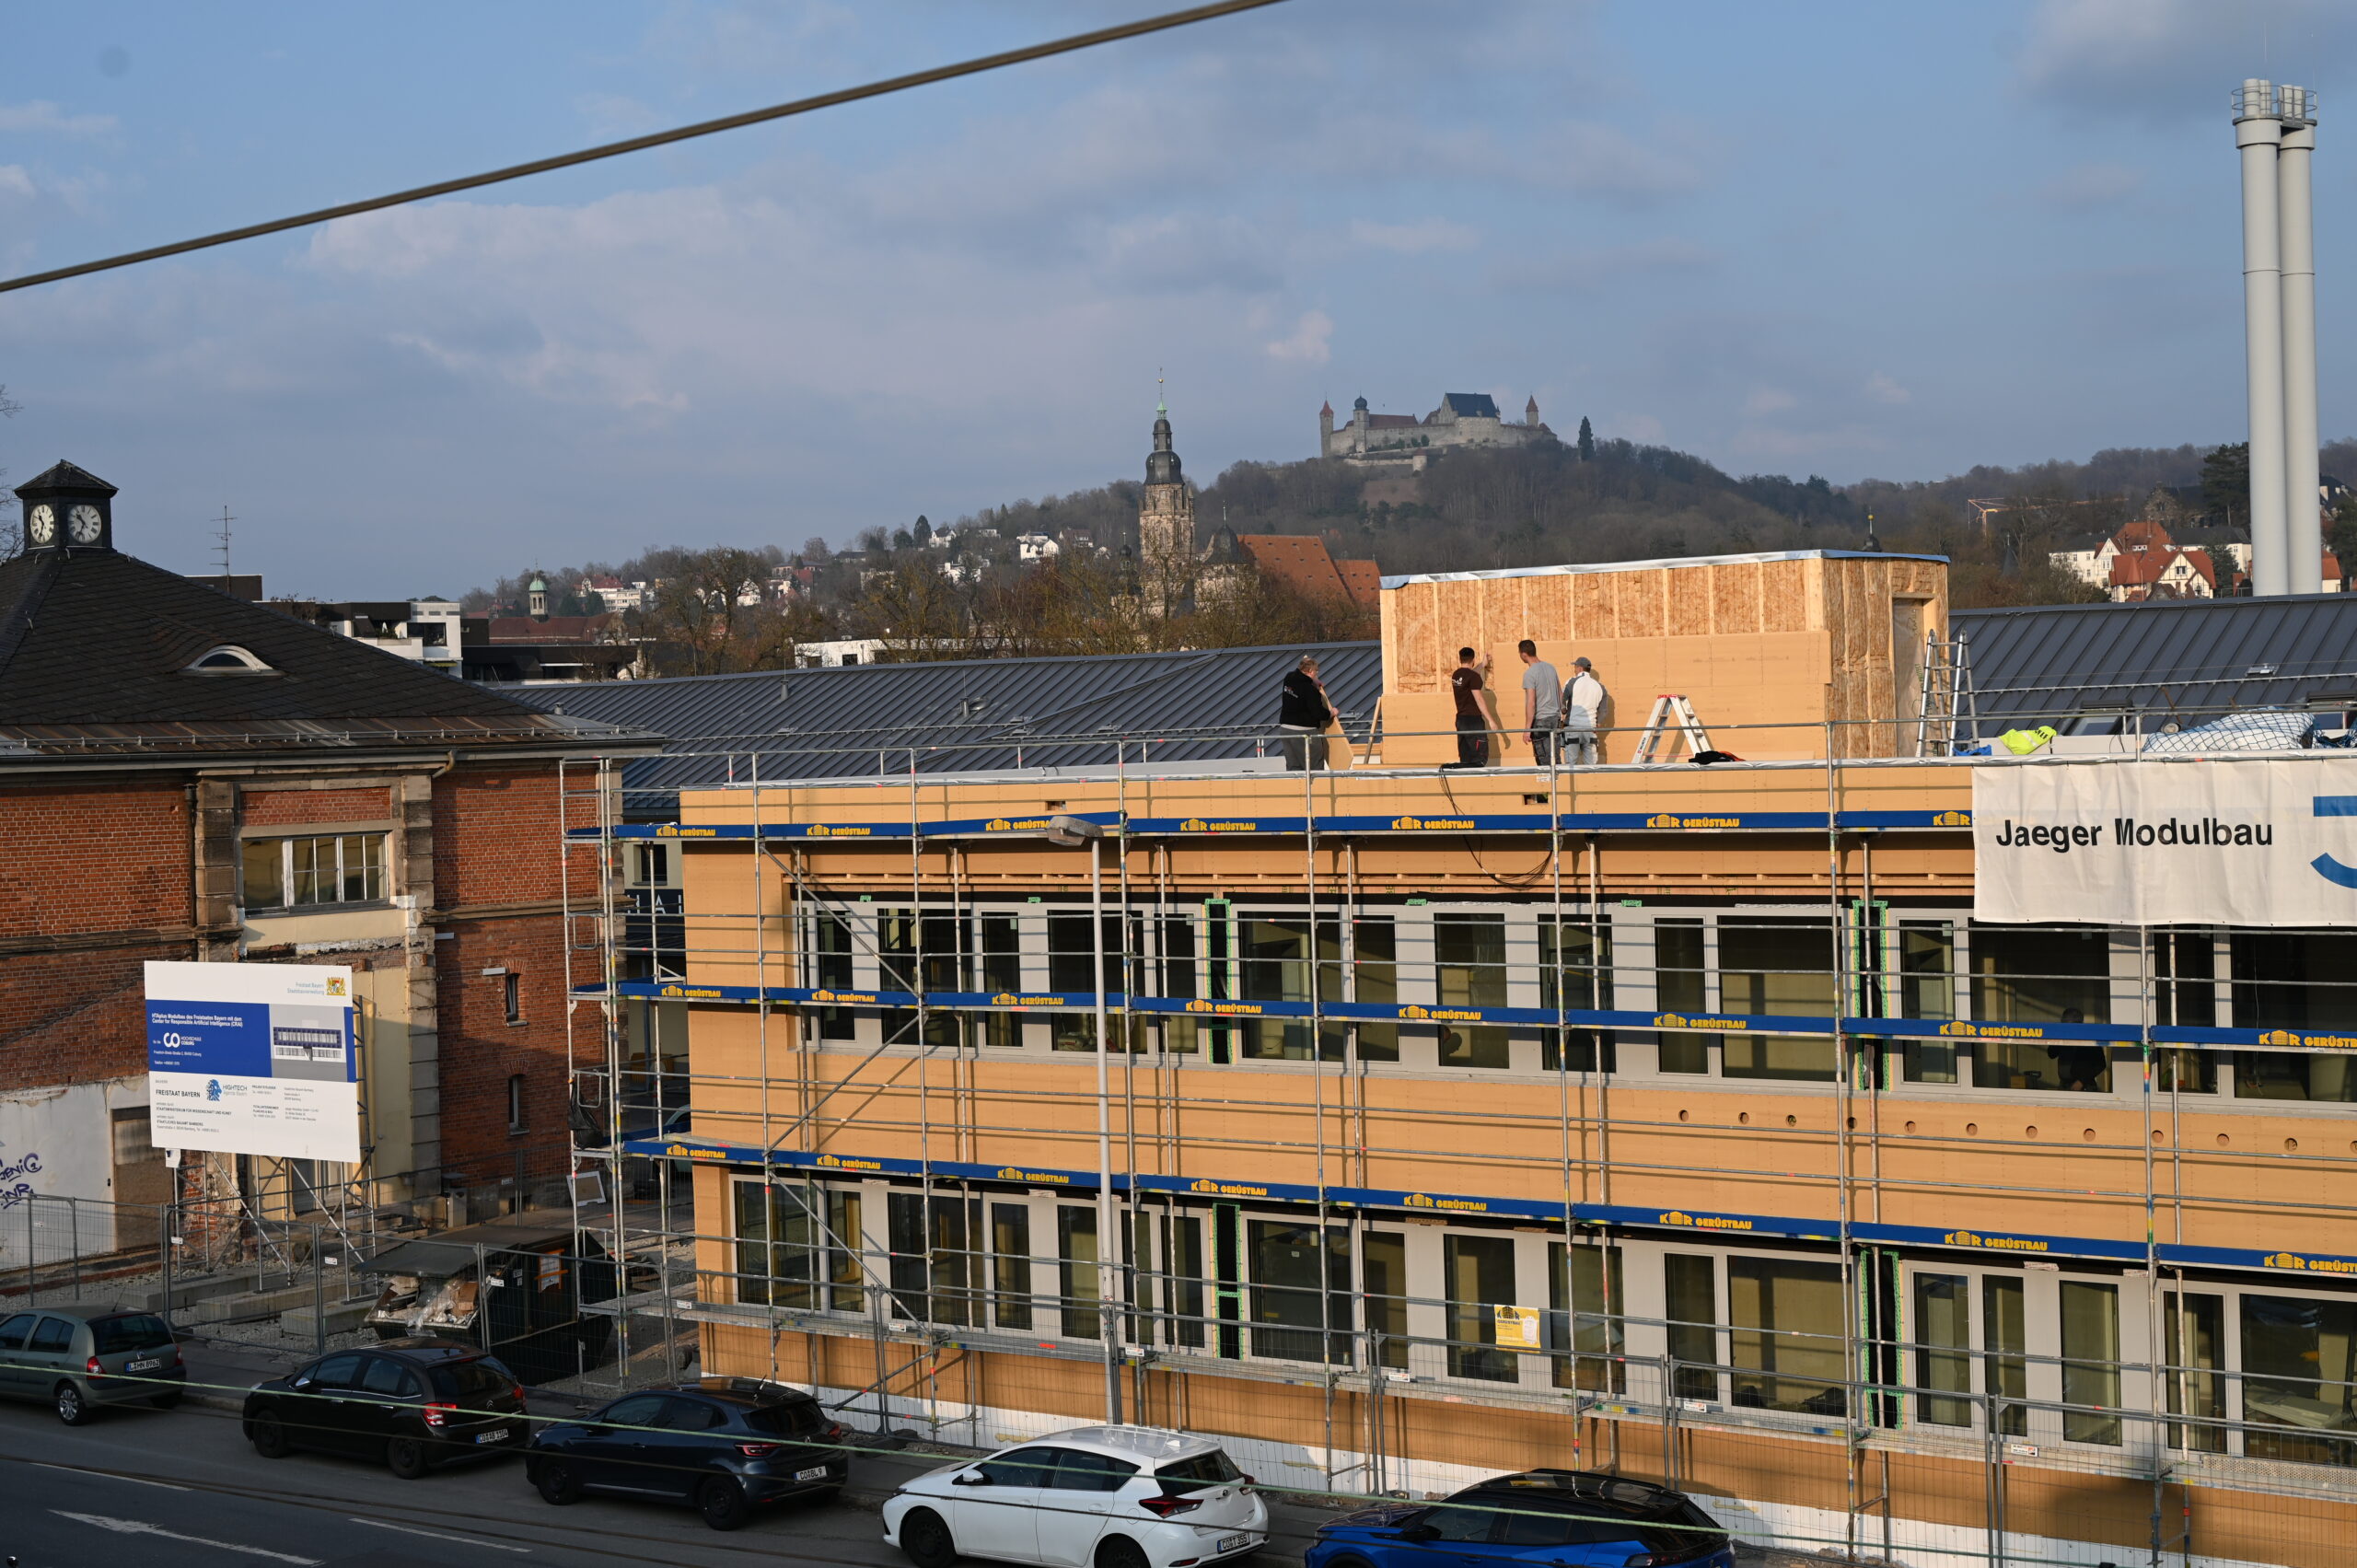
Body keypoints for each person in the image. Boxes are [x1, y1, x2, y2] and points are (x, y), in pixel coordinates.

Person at [1278, 654, 1334, 771]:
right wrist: (1331, 713)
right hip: (1304, 731)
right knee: (1315, 765)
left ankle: (1297, 788)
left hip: (1285, 729)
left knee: (1294, 766)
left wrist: (1314, 681)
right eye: (1316, 672)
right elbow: (1318, 714)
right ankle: (1317, 788)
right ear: (1310, 671)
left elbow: (1300, 681)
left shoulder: (1289, 678)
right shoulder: (1311, 691)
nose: (1316, 674)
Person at [1449, 646, 1503, 767]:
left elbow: (1470, 675)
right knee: (1478, 758)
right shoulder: (1473, 677)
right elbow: (1479, 699)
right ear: (1473, 659)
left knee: (1466, 756)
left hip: (1461, 720)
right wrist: (1491, 720)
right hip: (1473, 721)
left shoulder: (1456, 675)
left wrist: (1483, 664)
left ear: (1460, 659)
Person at [1518, 639, 1562, 765]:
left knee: (1544, 760)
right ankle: (1558, 783)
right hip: (1555, 719)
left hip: (1541, 721)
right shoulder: (1551, 668)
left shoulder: (1530, 674)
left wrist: (1527, 729)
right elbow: (1560, 694)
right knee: (1555, 757)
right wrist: (1561, 715)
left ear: (1523, 654)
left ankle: (1548, 784)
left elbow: (1531, 702)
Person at [1562, 656, 1608, 766]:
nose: (1574, 669)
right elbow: (1604, 711)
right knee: (1590, 766)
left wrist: (1564, 710)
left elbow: (1561, 699)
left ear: (1580, 668)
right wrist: (1598, 723)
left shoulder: (1571, 682)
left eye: (1575, 667)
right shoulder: (1600, 687)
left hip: (1573, 729)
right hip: (1590, 730)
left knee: (1571, 765)